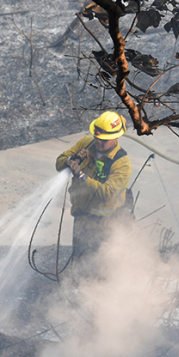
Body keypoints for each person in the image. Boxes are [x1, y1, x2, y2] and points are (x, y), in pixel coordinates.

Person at [55, 111, 132, 261]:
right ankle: (76, 283)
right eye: (97, 137)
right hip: (82, 215)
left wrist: (82, 176)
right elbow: (59, 164)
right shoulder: (86, 143)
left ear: (115, 138)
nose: (98, 142)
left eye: (104, 140)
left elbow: (107, 193)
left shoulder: (122, 163)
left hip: (105, 224)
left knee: (100, 265)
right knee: (78, 260)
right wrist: (73, 158)